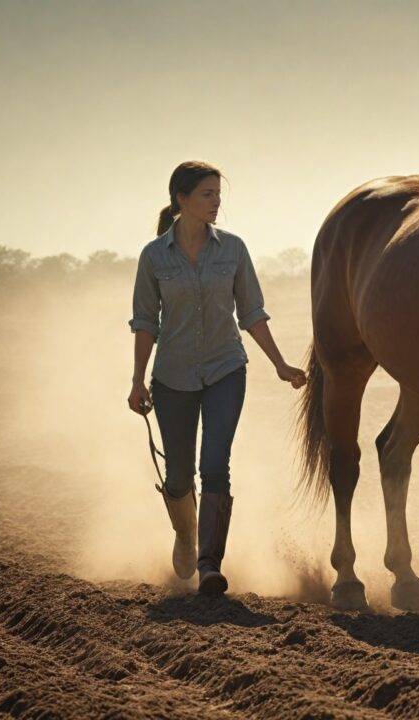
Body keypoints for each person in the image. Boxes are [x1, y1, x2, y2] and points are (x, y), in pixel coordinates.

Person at [127, 161, 306, 595]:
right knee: (179, 476)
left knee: (215, 466)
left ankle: (210, 564)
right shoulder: (154, 257)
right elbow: (145, 322)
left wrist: (280, 364)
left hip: (227, 368)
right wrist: (137, 379)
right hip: (172, 377)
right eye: (207, 193)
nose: (216, 201)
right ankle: (186, 536)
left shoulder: (234, 249)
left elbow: (252, 313)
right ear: (181, 199)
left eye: (217, 194)